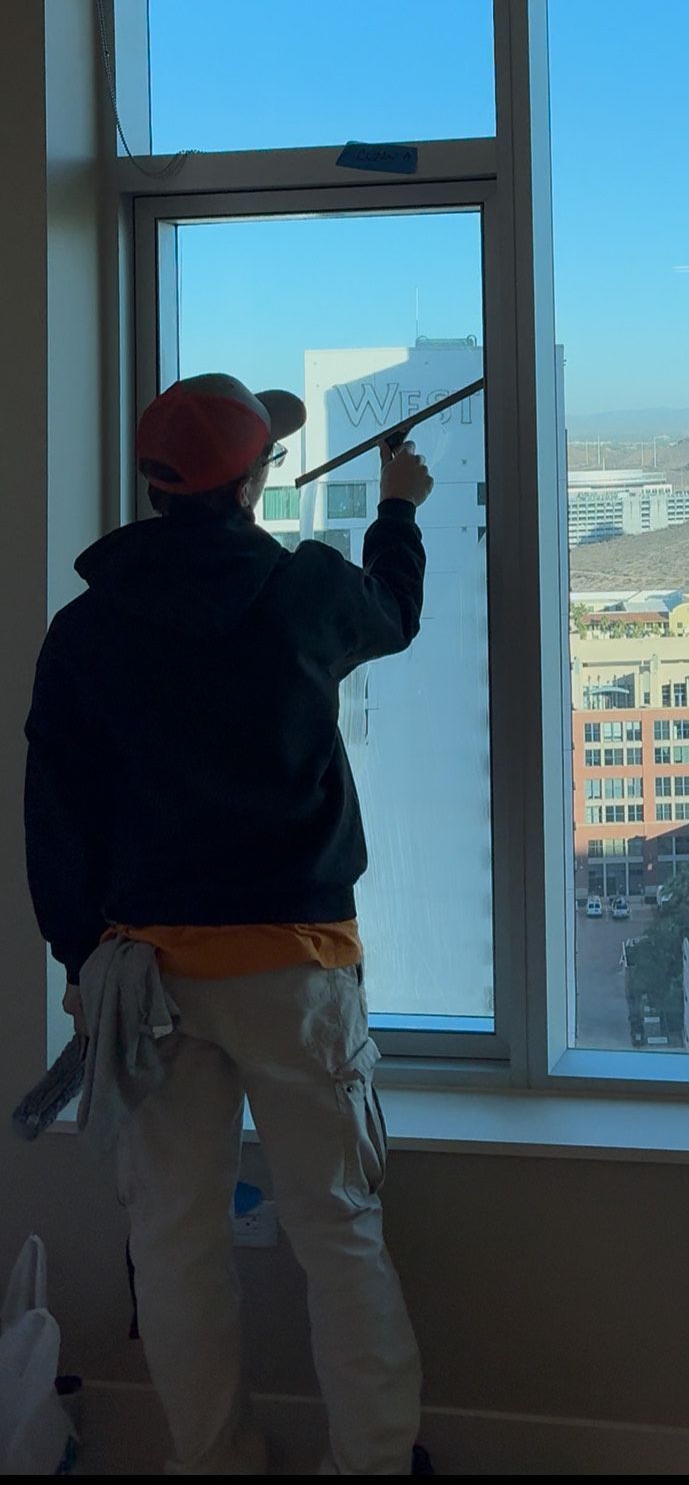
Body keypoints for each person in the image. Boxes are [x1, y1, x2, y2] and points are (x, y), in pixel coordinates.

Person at [23, 373, 435, 1477]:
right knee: (336, 1227)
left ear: (159, 487)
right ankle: (375, 1462)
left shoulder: (90, 624)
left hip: (145, 976)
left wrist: (76, 953)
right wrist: (398, 504)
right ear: (254, 482)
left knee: (175, 1242)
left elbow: (52, 808)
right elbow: (392, 613)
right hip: (293, 970)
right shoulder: (302, 591)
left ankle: (215, 1461)